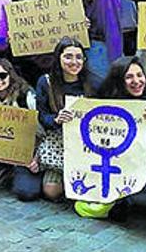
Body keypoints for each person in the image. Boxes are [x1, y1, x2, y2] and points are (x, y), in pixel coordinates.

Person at [74, 56, 146, 220]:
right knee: (117, 212)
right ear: (119, 80)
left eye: (140, 75)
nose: (137, 81)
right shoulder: (106, 101)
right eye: (129, 77)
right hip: (118, 160)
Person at [34, 37, 93, 202]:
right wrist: (56, 119)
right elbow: (42, 116)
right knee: (51, 192)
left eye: (79, 57)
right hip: (58, 140)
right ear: (58, 58)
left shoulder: (93, 83)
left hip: (85, 142)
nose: (74, 62)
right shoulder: (45, 83)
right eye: (68, 57)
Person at [0, 59, 42, 200]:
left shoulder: (27, 97)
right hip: (1, 148)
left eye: (2, 75)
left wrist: (37, 157)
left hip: (28, 152)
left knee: (26, 193)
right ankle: (2, 167)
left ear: (11, 75)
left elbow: (43, 132)